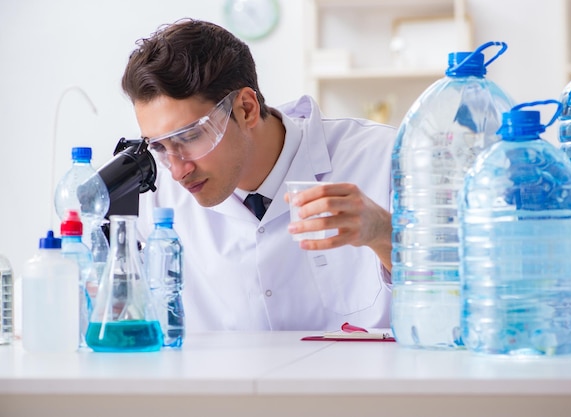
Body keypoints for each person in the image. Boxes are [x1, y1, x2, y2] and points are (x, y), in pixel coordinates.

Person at [121, 18, 397, 332]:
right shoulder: (157, 199)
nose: (178, 170)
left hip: (364, 380)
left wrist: (386, 235)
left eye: (189, 138)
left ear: (247, 109)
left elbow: (451, 310)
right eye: (159, 146)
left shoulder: (384, 157)